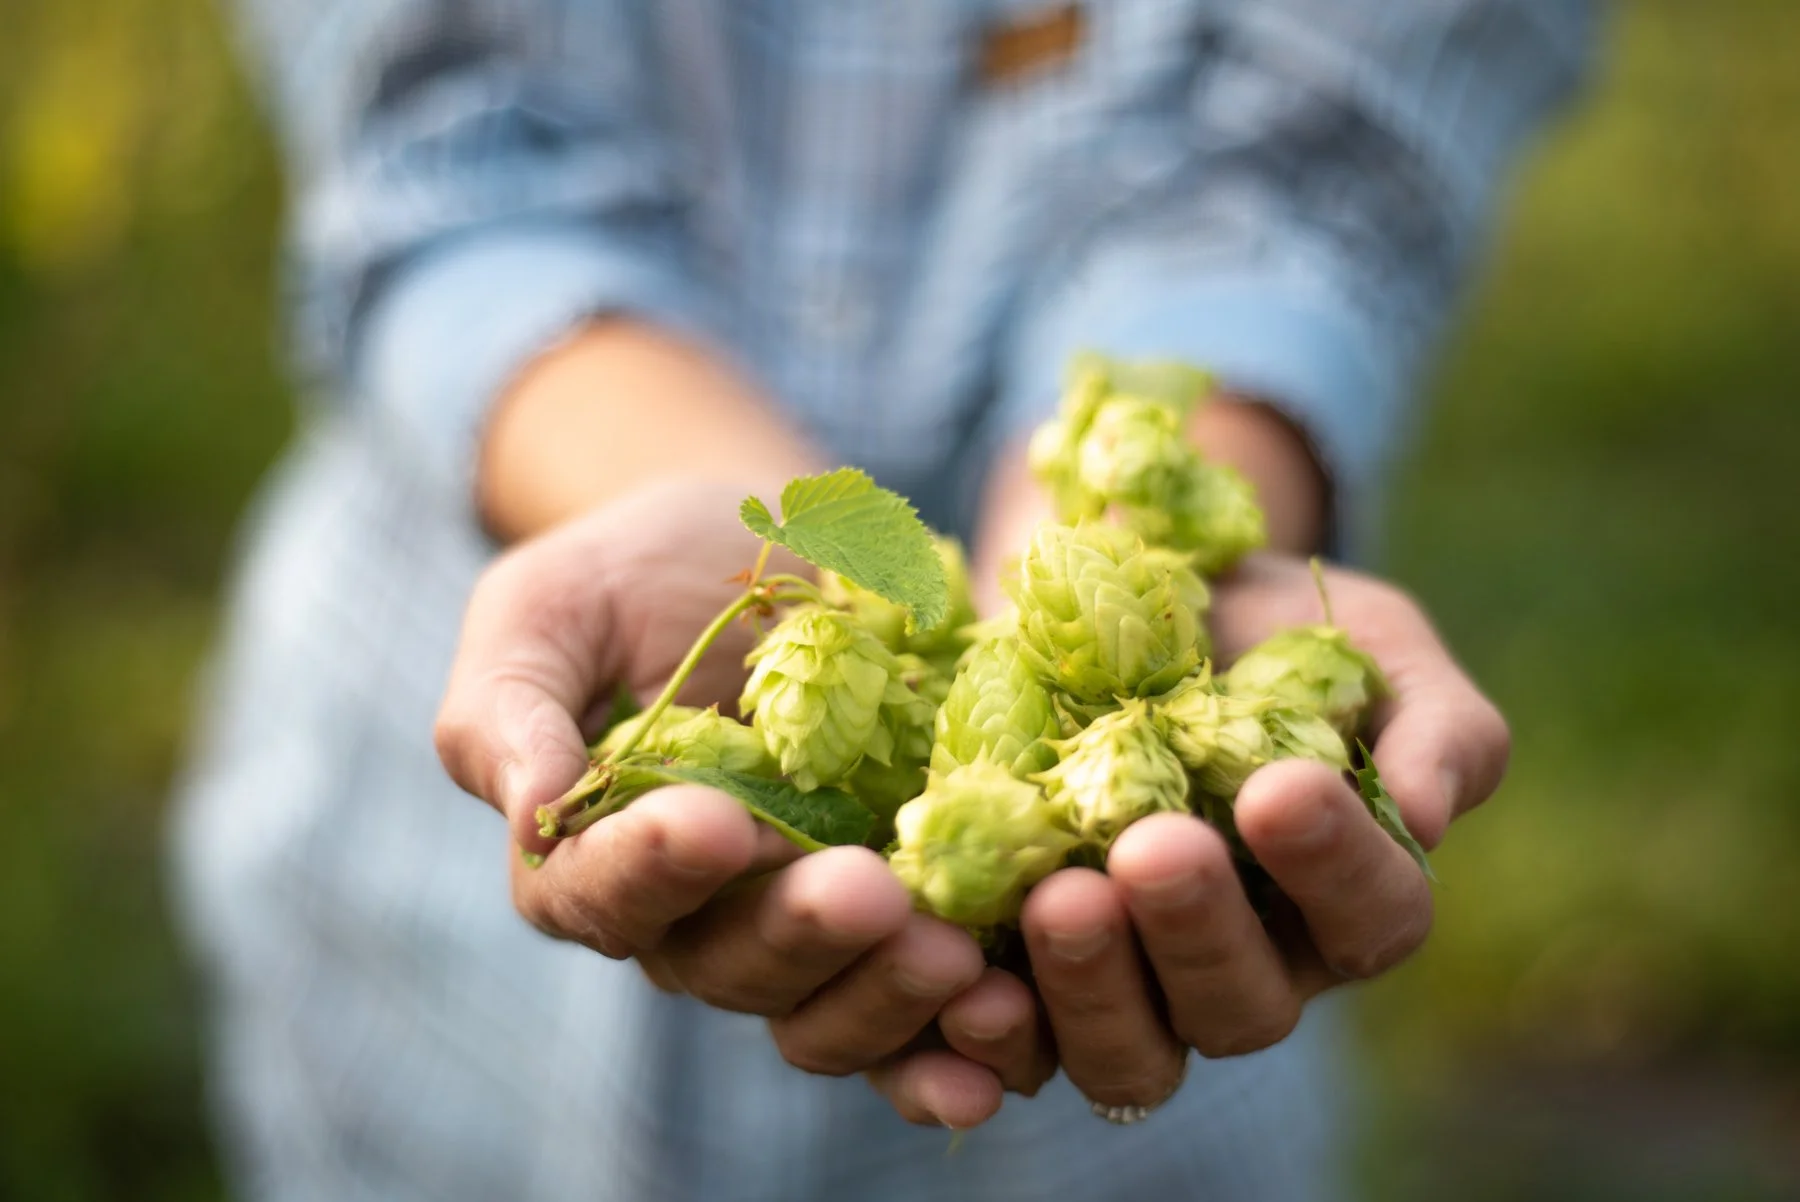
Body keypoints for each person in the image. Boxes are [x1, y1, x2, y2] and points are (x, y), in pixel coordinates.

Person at [172, 2, 1593, 1198]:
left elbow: (1306, 169)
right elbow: (447, 134)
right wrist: (702, 506)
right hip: (421, 967)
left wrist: (1150, 495)